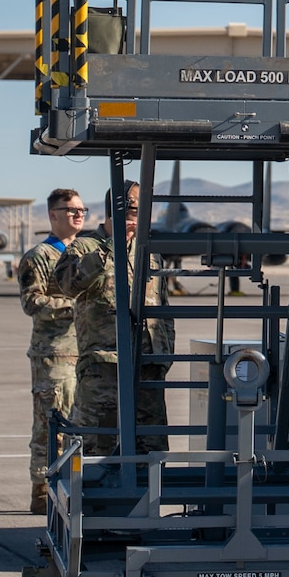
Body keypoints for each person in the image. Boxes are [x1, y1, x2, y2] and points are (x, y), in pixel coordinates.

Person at [52, 181, 173, 459]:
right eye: (134, 208)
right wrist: (109, 248)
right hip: (104, 366)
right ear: (117, 209)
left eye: (143, 209)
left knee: (150, 449)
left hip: (147, 366)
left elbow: (162, 305)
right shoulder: (86, 246)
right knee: (96, 447)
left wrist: (165, 353)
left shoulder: (149, 251)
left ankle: (145, 500)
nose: (139, 215)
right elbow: (68, 284)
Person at [18, 187, 85, 514]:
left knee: (81, 424)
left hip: (85, 353)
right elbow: (32, 302)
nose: (78, 214)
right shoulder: (38, 257)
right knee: (49, 424)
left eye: (81, 209)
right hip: (53, 355)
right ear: (53, 215)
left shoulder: (88, 254)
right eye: (70, 209)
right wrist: (74, 306)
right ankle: (42, 490)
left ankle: (74, 488)